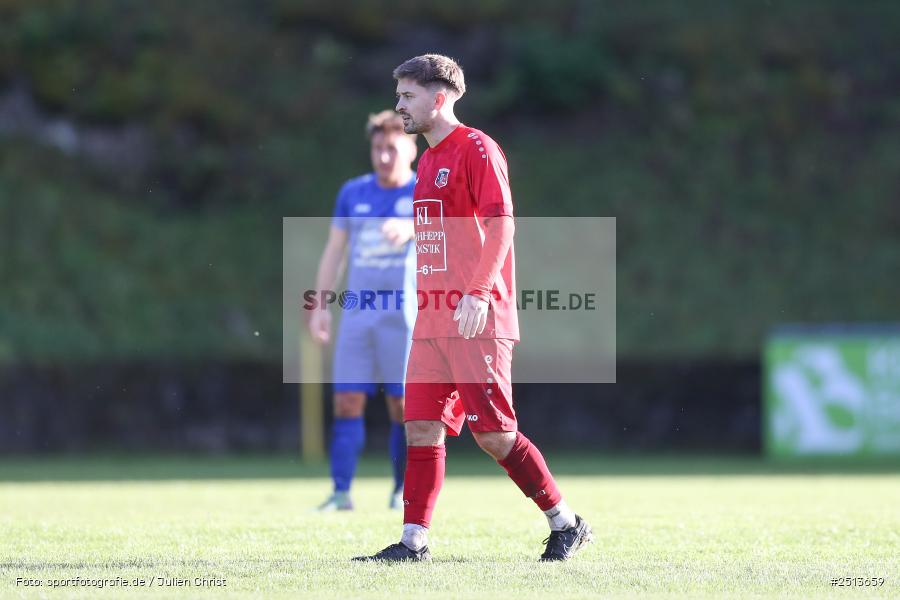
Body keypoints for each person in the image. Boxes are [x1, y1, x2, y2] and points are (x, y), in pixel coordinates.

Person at [354, 55, 592, 561]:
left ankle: (566, 522)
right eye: (398, 97)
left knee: (495, 434)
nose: (400, 107)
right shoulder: (428, 160)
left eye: (408, 96)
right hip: (433, 321)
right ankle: (413, 542)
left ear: (439, 98)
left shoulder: (477, 148)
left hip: (477, 317)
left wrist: (479, 292)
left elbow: (502, 225)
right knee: (420, 426)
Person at [310, 110, 418, 511]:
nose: (384, 156)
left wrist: (413, 228)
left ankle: (402, 493)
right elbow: (334, 251)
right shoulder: (353, 193)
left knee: (403, 407)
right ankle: (341, 494)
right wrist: (319, 304)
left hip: (404, 317)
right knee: (346, 402)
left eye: (392, 147)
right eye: (378, 148)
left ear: (410, 147)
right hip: (358, 315)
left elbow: (451, 233)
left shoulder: (424, 191)